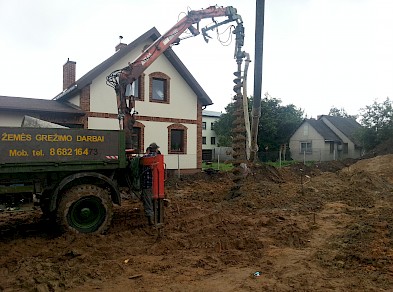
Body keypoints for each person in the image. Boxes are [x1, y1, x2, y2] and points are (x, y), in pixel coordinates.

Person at [141, 143, 160, 225]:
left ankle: (150, 220)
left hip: (146, 184)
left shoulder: (144, 157)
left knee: (148, 202)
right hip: (156, 185)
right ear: (156, 149)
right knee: (156, 201)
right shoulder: (158, 157)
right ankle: (157, 218)